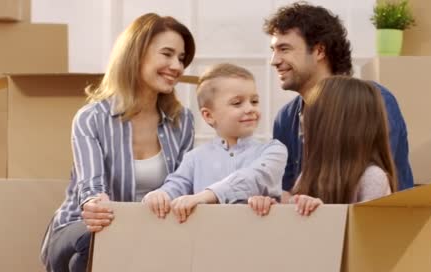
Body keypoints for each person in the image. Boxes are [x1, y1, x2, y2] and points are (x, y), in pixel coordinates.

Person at [39, 13, 196, 272]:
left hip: (146, 235)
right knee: (97, 235)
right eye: (167, 54)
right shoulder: (91, 118)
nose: (177, 66)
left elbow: (184, 182)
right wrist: (96, 203)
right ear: (136, 52)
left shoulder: (183, 121)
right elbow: (91, 186)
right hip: (82, 233)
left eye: (181, 58)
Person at [264, 2, 413, 202]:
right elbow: (288, 191)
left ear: (319, 51)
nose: (274, 60)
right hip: (313, 226)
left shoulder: (372, 100)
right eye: (273, 50)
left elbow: (369, 183)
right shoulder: (286, 118)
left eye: (284, 49)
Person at [143, 63, 287, 221]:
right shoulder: (194, 158)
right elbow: (177, 185)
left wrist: (205, 196)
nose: (250, 108)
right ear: (209, 116)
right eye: (237, 103)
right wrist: (159, 195)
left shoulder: (273, 150)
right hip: (205, 240)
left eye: (254, 101)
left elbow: (253, 178)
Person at [249, 76, 396, 216]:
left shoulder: (373, 178)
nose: (303, 125)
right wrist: (270, 206)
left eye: (311, 117)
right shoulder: (309, 174)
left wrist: (322, 214)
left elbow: (366, 236)